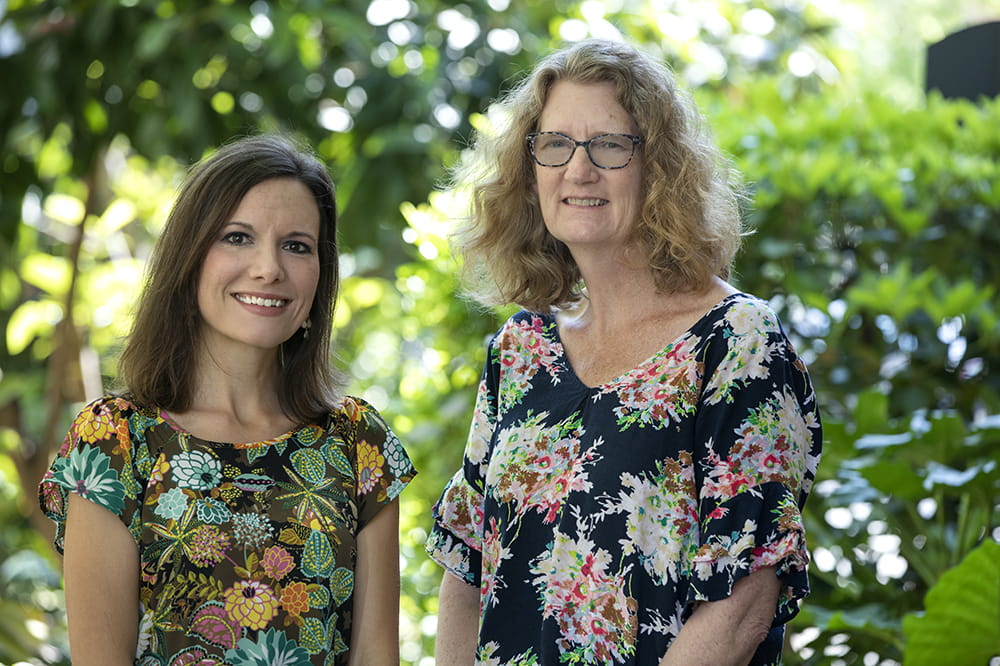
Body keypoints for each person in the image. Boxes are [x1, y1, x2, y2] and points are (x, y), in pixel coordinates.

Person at [426, 39, 822, 665]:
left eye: (609, 145)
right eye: (555, 144)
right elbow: (466, 562)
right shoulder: (521, 349)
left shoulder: (736, 342)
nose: (577, 170)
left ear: (659, 167)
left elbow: (745, 600)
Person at [38, 134, 415, 666]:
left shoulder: (358, 441)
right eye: (237, 237)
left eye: (297, 245)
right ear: (189, 259)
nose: (269, 268)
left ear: (320, 275)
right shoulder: (115, 440)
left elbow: (376, 655)